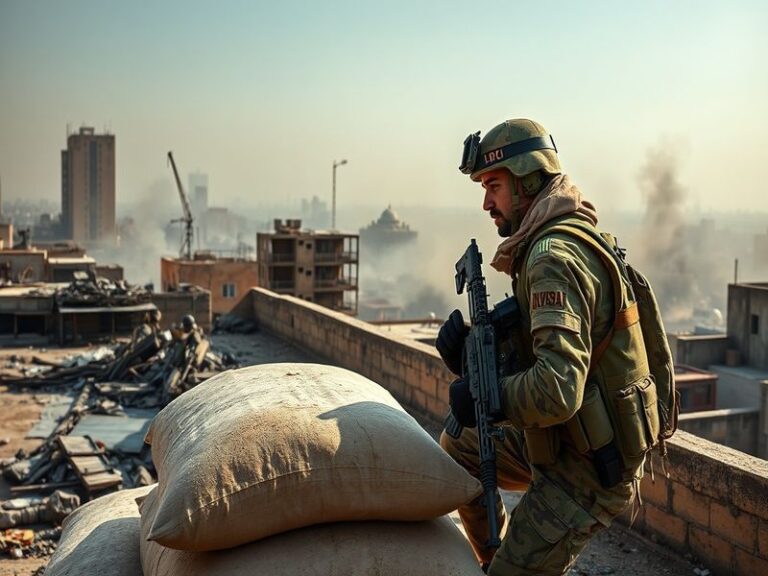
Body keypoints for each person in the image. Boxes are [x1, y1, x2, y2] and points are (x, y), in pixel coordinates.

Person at [437, 119, 658, 575]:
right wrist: (471, 358)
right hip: (568, 436)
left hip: (589, 467)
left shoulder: (552, 258)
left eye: (493, 185)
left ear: (528, 179)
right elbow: (543, 352)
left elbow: (557, 389)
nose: (486, 202)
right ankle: (500, 559)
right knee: (462, 446)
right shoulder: (553, 237)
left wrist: (488, 397)